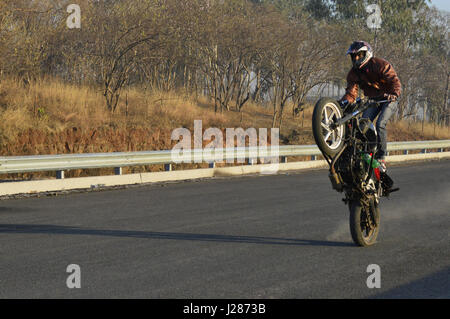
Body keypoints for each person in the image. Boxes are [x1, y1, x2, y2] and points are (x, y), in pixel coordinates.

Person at [339, 41, 402, 171]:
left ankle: (381, 157)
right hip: (373, 100)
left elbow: (394, 80)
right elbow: (351, 92)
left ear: (367, 54)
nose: (356, 59)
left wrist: (394, 93)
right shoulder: (353, 73)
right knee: (363, 125)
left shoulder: (380, 64)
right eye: (354, 56)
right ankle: (368, 154)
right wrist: (343, 102)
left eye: (359, 55)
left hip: (389, 99)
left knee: (380, 124)